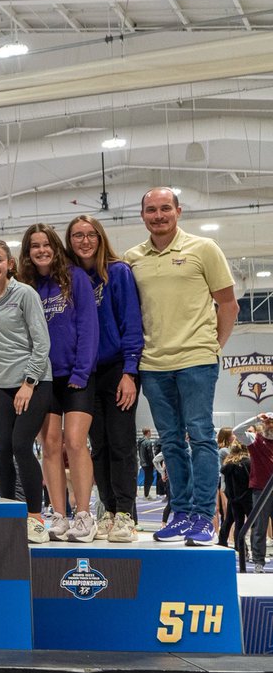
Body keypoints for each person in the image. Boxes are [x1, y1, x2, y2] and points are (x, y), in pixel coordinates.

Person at [125, 187, 239, 545]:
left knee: (202, 436)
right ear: (142, 215)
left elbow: (228, 304)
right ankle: (182, 513)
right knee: (171, 442)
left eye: (164, 209)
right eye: (151, 210)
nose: (158, 215)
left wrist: (213, 347)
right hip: (153, 364)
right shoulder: (132, 258)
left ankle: (204, 517)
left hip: (196, 361)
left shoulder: (204, 249)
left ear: (178, 211)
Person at [19, 223, 98, 543]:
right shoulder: (25, 287)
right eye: (34, 245)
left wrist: (81, 372)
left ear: (55, 246)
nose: (41, 250)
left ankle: (83, 514)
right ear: (27, 252)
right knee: (50, 446)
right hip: (44, 378)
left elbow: (88, 327)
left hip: (77, 376)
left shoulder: (75, 278)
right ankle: (59, 514)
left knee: (76, 442)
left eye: (46, 244)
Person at [66, 215, 143, 543]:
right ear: (69, 242)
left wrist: (130, 371)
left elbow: (132, 322)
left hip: (116, 369)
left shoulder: (119, 272)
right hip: (84, 372)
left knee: (120, 441)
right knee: (96, 445)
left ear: (100, 238)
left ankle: (126, 512)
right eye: (77, 236)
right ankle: (108, 509)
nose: (84, 241)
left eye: (90, 235)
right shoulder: (66, 279)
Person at [0, 239, 53, 545]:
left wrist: (29, 383)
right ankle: (9, 514)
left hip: (34, 382)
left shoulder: (24, 294)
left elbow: (42, 343)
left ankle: (34, 517)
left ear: (10, 264)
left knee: (22, 445)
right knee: (2, 449)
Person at [233, 414, 273, 572]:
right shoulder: (254, 439)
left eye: (272, 423)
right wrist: (256, 418)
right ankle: (258, 562)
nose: (270, 425)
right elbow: (237, 431)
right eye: (268, 423)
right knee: (259, 527)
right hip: (261, 490)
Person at [219, 441, 252, 571]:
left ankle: (241, 548)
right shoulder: (248, 462)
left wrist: (230, 496)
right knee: (254, 524)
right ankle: (251, 551)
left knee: (238, 523)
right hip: (247, 498)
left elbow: (226, 482)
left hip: (234, 499)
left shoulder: (228, 464)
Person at [139, 428, 158, 499]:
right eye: (150, 432)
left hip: (142, 462)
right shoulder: (148, 442)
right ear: (148, 432)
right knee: (149, 479)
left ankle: (146, 494)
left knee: (147, 478)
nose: (151, 433)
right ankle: (146, 494)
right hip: (148, 464)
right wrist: (153, 463)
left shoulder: (140, 441)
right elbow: (150, 454)